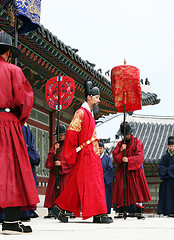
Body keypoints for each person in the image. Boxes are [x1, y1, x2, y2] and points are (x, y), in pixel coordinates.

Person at [50, 80, 113, 223]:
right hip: (85, 154)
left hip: (92, 154)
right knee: (91, 183)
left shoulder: (89, 114)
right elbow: (71, 133)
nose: (98, 101)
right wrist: (72, 151)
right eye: (97, 98)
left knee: (81, 183)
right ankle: (98, 214)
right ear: (89, 97)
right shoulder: (81, 113)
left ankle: (59, 209)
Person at [0, 30, 39, 234]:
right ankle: (11, 222)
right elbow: (24, 101)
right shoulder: (14, 71)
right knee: (11, 170)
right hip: (7, 123)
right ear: (7, 52)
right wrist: (18, 119)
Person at [112, 122, 151, 219]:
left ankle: (139, 211)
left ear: (130, 133)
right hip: (123, 170)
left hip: (135, 170)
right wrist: (121, 150)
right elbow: (115, 157)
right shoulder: (120, 144)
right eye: (123, 135)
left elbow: (140, 157)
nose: (125, 136)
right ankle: (121, 211)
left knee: (137, 190)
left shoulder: (138, 142)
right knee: (121, 190)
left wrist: (129, 160)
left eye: (126, 134)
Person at [44, 124, 72, 218]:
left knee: (64, 191)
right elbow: (48, 161)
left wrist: (62, 163)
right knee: (52, 191)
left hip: (64, 173)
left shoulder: (69, 145)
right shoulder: (55, 145)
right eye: (58, 135)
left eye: (62, 134)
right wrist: (55, 152)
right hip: (55, 173)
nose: (60, 136)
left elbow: (72, 160)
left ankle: (66, 210)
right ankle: (51, 210)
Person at [20, 123, 40, 221]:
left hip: (27, 157)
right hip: (23, 155)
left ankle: (26, 212)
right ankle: (24, 212)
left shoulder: (25, 125)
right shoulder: (19, 124)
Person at [157, 136, 174, 217]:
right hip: (167, 181)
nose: (171, 147)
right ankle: (168, 211)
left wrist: (168, 170)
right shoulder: (164, 157)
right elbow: (161, 168)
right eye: (170, 146)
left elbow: (166, 168)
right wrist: (171, 170)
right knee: (168, 197)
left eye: (172, 146)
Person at [99, 141, 114, 214]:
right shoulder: (94, 158)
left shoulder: (107, 158)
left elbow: (110, 169)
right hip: (96, 182)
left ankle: (106, 212)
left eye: (101, 148)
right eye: (97, 148)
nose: (99, 150)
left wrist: (103, 177)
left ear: (104, 149)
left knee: (106, 196)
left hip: (105, 183)